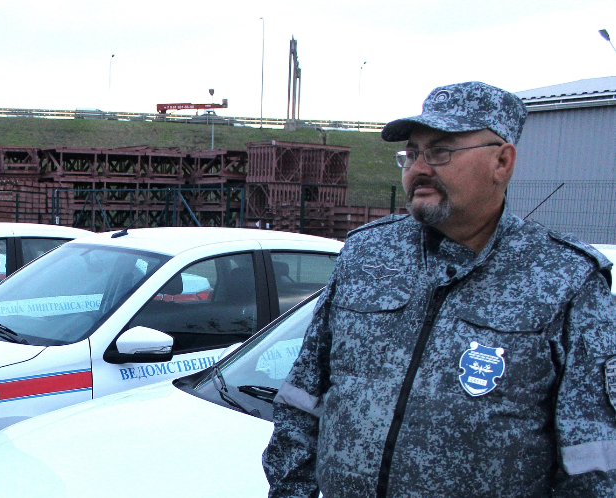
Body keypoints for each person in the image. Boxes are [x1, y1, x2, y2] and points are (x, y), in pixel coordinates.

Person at [263, 81, 616, 497]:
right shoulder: (366, 253)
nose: (419, 167)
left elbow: (593, 462)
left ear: (502, 161)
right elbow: (303, 397)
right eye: (412, 153)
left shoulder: (565, 279)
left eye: (441, 152)